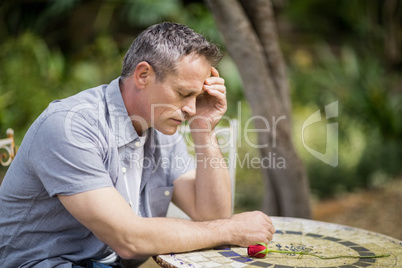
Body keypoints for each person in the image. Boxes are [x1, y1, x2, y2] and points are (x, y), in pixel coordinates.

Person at [0, 22, 275, 267]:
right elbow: (127, 239)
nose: (191, 108)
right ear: (143, 75)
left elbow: (212, 214)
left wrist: (204, 129)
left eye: (197, 96)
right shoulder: (70, 126)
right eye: (183, 93)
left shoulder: (160, 126)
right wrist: (230, 231)